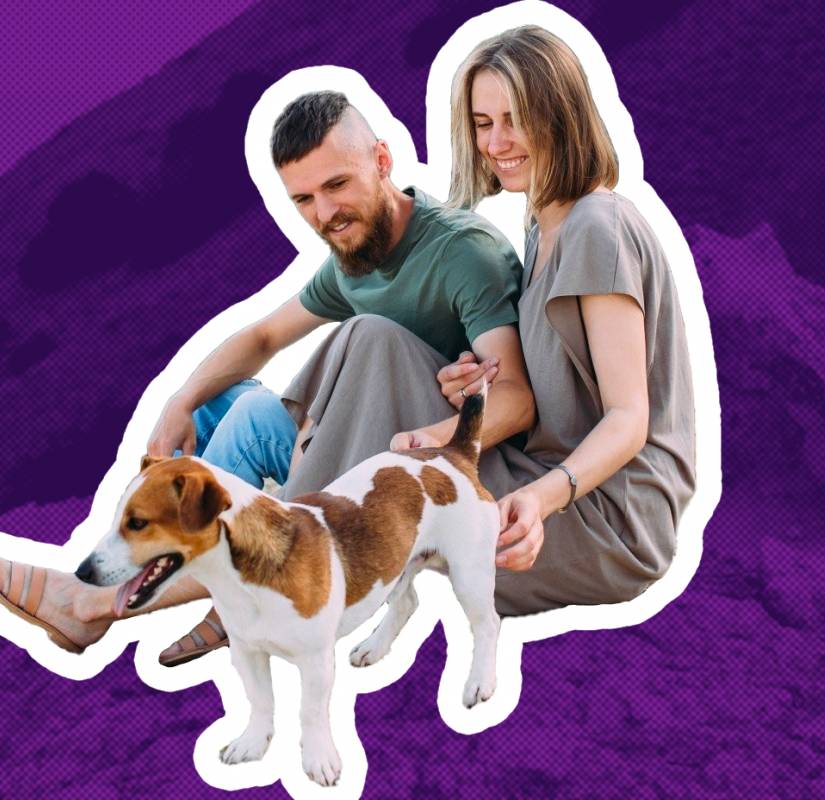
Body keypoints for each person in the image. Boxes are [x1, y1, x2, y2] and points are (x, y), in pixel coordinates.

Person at [0, 90, 536, 662]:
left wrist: (432, 437)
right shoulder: (358, 250)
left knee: (307, 380)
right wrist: (179, 401)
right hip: (358, 441)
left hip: (412, 479)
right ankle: (215, 584)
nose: (324, 214)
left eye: (336, 186)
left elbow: (515, 398)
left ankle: (96, 601)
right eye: (304, 199)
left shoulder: (463, 253)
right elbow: (263, 336)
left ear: (382, 162)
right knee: (221, 402)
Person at [279, 24, 698, 615]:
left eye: (515, 118)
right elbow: (561, 384)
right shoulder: (542, 223)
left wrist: (541, 498)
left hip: (607, 517)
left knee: (386, 438)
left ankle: (281, 560)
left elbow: (629, 419)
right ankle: (290, 530)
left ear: (560, 114)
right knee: (375, 341)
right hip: (547, 472)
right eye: (482, 123)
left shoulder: (595, 229)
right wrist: (471, 380)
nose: (497, 142)